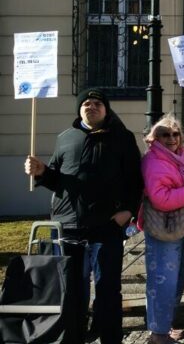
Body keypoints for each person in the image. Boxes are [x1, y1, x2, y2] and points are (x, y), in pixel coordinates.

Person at [24, 88, 142, 344]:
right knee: (74, 292)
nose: (91, 106)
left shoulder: (122, 138)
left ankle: (110, 339)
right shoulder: (65, 138)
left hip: (107, 227)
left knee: (108, 291)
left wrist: (128, 212)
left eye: (97, 103)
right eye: (86, 103)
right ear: (79, 110)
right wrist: (41, 171)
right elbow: (57, 179)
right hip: (70, 228)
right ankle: (74, 338)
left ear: (106, 109)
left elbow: (135, 181)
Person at [140, 115, 184, 344]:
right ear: (155, 138)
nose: (171, 138)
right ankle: (157, 334)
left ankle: (166, 325)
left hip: (183, 225)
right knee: (162, 281)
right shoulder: (154, 160)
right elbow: (161, 198)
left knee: (177, 278)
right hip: (163, 228)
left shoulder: (183, 157)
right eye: (165, 134)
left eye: (175, 133)